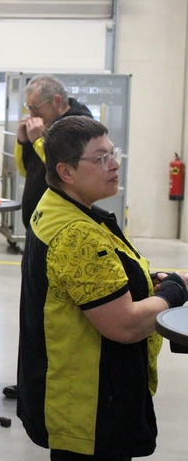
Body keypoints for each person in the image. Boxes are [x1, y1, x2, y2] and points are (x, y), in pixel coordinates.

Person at [17, 115, 188, 460]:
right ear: (66, 172)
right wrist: (173, 293)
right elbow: (124, 325)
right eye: (101, 158)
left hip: (69, 392)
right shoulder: (77, 234)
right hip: (90, 404)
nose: (114, 165)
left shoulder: (54, 206)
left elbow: (91, 281)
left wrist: (145, 282)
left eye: (114, 154)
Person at [4, 74, 93, 399]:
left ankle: (46, 385)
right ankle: (29, 380)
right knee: (31, 310)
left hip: (61, 233)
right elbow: (25, 170)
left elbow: (66, 171)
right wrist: (22, 141)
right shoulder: (43, 127)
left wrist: (40, 140)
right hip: (36, 229)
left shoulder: (78, 124)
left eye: (35, 108)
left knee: (52, 315)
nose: (32, 115)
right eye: (27, 109)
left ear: (56, 101)